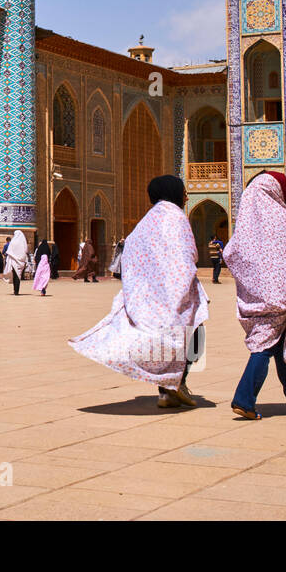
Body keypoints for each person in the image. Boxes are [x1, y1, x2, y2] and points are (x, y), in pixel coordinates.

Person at [69, 175, 208, 409]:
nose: (186, 197)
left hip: (149, 295)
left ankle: (167, 389)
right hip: (175, 291)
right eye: (183, 192)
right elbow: (188, 255)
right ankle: (175, 384)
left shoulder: (145, 222)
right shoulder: (176, 218)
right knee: (194, 335)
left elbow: (130, 256)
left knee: (166, 338)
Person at [225, 171, 286, 420]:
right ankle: (244, 400)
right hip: (278, 300)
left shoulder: (245, 225)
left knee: (280, 348)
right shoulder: (280, 221)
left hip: (256, 298)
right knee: (265, 348)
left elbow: (233, 254)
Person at [2, 229, 28, 295]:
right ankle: (17, 290)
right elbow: (25, 251)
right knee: (18, 276)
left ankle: (15, 290)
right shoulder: (23, 243)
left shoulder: (13, 242)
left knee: (15, 276)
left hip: (13, 262)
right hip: (21, 262)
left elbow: (9, 251)